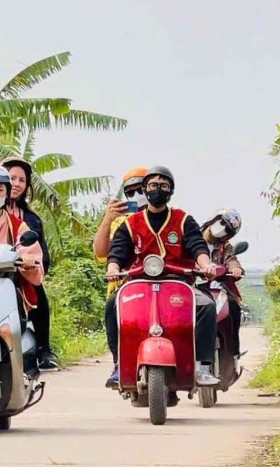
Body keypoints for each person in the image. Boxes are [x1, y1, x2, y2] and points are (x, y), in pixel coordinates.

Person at [104, 165, 220, 389]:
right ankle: (119, 363)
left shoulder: (183, 220)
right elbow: (117, 251)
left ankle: (203, 366)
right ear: (145, 189)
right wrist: (112, 268)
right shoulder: (130, 224)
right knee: (112, 305)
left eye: (164, 186)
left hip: (178, 282)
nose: (158, 190)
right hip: (139, 283)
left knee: (206, 305)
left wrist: (206, 265)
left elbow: (197, 246)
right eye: (153, 185)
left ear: (171, 191)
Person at [92, 166, 149, 386]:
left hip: (163, 281)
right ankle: (119, 362)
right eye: (130, 192)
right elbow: (101, 253)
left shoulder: (171, 217)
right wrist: (107, 220)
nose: (137, 195)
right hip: (127, 285)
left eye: (141, 189)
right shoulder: (121, 222)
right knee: (111, 308)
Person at [0, 156, 58, 370]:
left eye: (22, 180)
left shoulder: (31, 219)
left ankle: (44, 348)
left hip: (20, 273)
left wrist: (32, 265)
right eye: (11, 178)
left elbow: (41, 253)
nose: (16, 184)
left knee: (38, 293)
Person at [201, 208, 247, 357]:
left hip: (214, 289)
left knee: (233, 306)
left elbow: (231, 259)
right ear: (213, 219)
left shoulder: (225, 247)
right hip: (190, 286)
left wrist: (235, 269)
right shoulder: (192, 237)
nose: (222, 228)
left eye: (227, 229)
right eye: (221, 223)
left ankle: (233, 352)